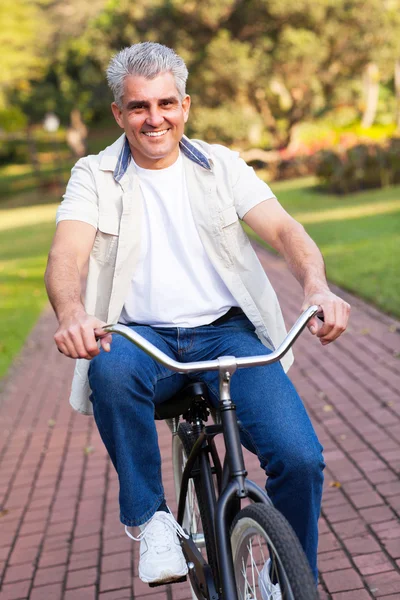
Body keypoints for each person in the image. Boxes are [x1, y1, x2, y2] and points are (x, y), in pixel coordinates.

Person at [45, 42, 350, 596]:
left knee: (300, 458)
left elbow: (286, 232)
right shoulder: (93, 175)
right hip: (140, 338)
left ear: (185, 105)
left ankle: (290, 578)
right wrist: (72, 313)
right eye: (139, 107)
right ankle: (151, 520)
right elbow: (66, 256)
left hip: (226, 335)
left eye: (166, 103)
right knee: (108, 371)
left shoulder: (221, 166)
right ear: (119, 113)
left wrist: (316, 287)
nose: (154, 118)